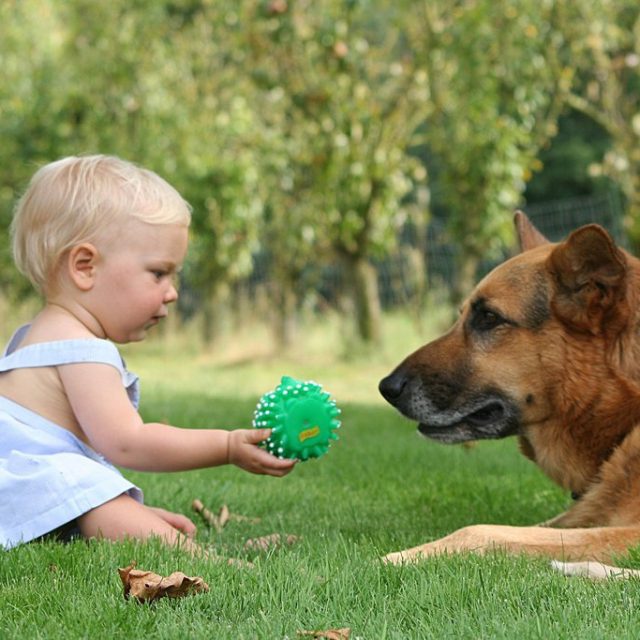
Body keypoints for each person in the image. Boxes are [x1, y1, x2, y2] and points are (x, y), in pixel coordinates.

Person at [0, 154, 296, 553]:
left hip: (16, 489)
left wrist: (130, 511)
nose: (171, 292)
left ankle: (121, 520)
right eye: (158, 273)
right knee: (89, 491)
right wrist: (226, 446)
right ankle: (213, 562)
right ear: (85, 267)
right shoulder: (84, 350)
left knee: (94, 493)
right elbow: (128, 443)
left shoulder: (32, 337)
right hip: (17, 488)